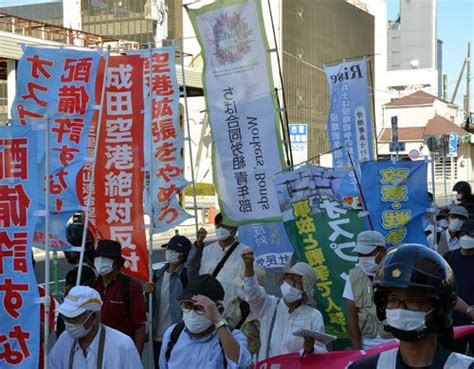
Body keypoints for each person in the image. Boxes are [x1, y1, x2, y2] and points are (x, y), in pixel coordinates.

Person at [347, 244, 474, 369]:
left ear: (439, 308)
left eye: (413, 301)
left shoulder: (464, 366)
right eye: (393, 300)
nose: (401, 309)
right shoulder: (366, 367)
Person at [241, 250, 326, 361]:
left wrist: (310, 348)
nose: (292, 285)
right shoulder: (269, 305)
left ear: (305, 291)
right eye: (290, 279)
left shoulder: (313, 315)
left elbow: (322, 352)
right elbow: (252, 292)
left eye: (298, 283)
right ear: (283, 280)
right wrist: (248, 267)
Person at [158, 274, 252, 369]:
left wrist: (218, 320)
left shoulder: (233, 337)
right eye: (187, 306)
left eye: (200, 308)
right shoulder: (173, 333)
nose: (192, 312)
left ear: (218, 310)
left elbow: (242, 365)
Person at [48, 286, 143, 369]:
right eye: (66, 318)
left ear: (94, 317)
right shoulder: (64, 339)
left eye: (74, 318)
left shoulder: (122, 346)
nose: (69, 323)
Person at [144, 234, 199, 369]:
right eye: (169, 249)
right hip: (156, 335)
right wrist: (147, 293)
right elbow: (149, 306)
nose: (170, 253)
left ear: (183, 255)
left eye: (175, 251)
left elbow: (194, 264)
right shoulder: (156, 275)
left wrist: (198, 245)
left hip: (178, 334)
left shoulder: (185, 275)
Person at [93, 239, 147, 355]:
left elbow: (140, 325)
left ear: (116, 262)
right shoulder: (91, 286)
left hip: (121, 351)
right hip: (95, 350)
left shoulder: (131, 286)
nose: (100, 261)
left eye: (105, 258)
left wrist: (136, 356)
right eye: (98, 257)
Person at [188, 213, 252, 309]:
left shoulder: (245, 253)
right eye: (218, 226)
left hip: (232, 310)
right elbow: (193, 271)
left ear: (234, 230)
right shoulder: (207, 250)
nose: (220, 229)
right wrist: (198, 243)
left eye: (224, 226)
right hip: (207, 308)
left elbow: (250, 283)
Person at [343, 231, 393, 350]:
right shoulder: (353, 276)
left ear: (383, 252)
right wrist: (357, 351)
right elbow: (352, 316)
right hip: (367, 345)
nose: (363, 258)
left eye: (368, 254)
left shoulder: (395, 273)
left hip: (395, 342)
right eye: (360, 254)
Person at [444, 219, 474, 354]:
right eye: (463, 233)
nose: (466, 237)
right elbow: (444, 288)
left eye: (471, 234)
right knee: (455, 358)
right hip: (455, 321)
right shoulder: (449, 257)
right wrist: (467, 309)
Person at [225, 265, 266, 358]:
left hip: (252, 358)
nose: (240, 289)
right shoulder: (232, 303)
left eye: (243, 287)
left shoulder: (264, 310)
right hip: (230, 355)